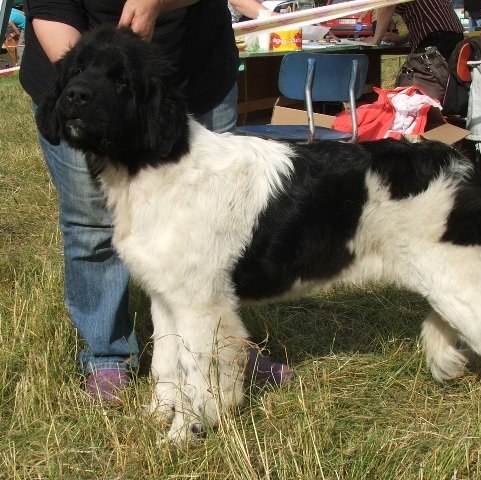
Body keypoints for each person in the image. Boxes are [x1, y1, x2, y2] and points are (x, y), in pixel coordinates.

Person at [20, 0, 292, 403]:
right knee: (92, 226)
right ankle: (107, 355)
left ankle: (220, 347)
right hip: (78, 51)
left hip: (194, 67)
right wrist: (83, 81)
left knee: (214, 231)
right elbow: (50, 8)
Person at [366, 0, 465, 60]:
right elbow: (426, 15)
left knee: (431, 83)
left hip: (435, 37)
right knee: (449, 83)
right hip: (455, 31)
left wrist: (375, 40)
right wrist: (402, 39)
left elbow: (388, 5)